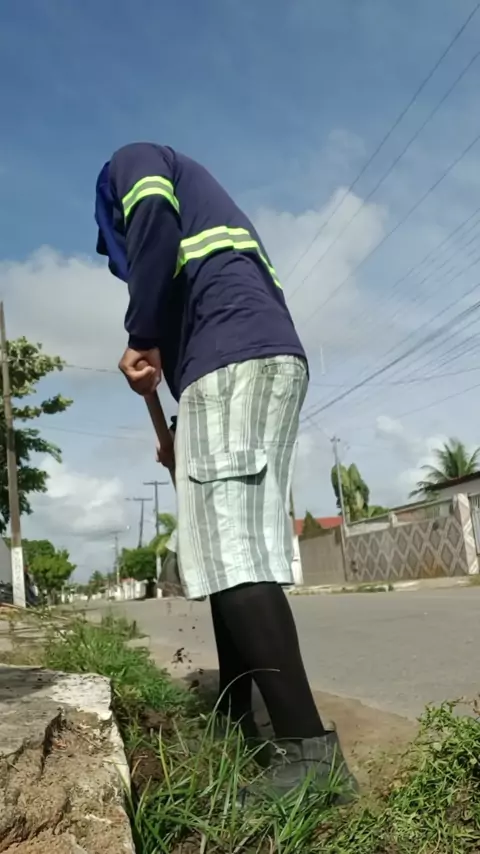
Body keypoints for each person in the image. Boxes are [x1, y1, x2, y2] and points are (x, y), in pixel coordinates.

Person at [94, 142, 357, 801]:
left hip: (230, 360)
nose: (119, 261)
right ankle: (238, 717)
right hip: (245, 362)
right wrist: (182, 433)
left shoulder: (132, 161)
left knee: (233, 556)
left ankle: (311, 760)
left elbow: (151, 219)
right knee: (225, 556)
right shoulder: (206, 215)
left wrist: (140, 333)